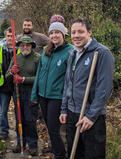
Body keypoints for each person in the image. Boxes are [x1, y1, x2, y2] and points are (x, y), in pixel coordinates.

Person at [59, 17, 114, 158]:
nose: (76, 35)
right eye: (73, 32)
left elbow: (104, 88)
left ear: (89, 32)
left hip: (91, 116)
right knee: (74, 152)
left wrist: (91, 116)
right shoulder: (72, 52)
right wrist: (64, 108)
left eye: (81, 32)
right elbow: (67, 83)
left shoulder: (102, 53)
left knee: (93, 154)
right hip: (72, 112)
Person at [31, 21, 73, 159]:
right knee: (50, 129)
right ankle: (59, 153)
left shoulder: (70, 51)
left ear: (63, 34)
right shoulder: (45, 51)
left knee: (54, 130)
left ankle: (60, 155)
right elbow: (39, 74)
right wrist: (34, 96)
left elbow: (70, 78)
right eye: (52, 33)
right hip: (43, 96)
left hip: (57, 97)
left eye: (57, 32)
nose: (54, 35)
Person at [5, 36, 40, 156]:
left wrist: (24, 79)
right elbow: (7, 78)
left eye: (27, 45)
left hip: (31, 93)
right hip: (18, 93)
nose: (24, 47)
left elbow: (40, 78)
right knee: (20, 119)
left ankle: (33, 145)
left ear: (31, 46)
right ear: (19, 46)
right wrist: (11, 71)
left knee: (30, 120)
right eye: (22, 45)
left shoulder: (37, 58)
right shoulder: (16, 58)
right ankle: (21, 143)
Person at [0, 27, 15, 140]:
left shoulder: (19, 50)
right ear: (5, 37)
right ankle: (4, 131)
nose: (10, 38)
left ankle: (20, 131)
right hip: (3, 85)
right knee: (3, 111)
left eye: (12, 36)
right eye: (8, 36)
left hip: (17, 86)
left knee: (18, 111)